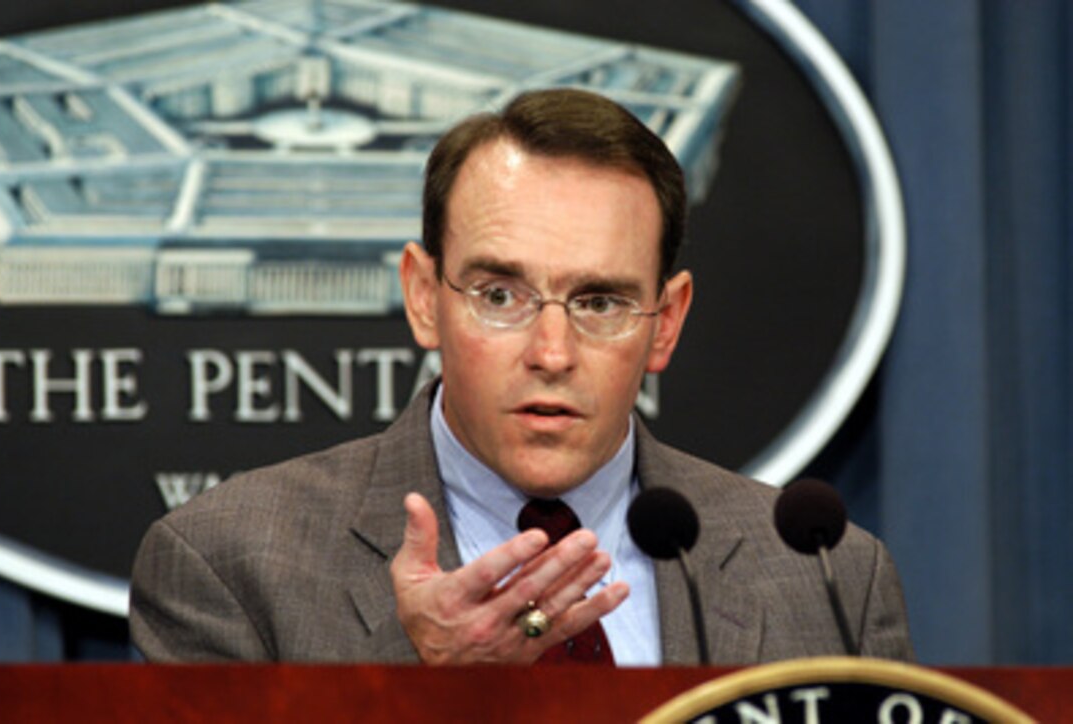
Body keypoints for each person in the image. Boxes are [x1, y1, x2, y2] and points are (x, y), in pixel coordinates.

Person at [130, 88, 913, 664]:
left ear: (665, 322)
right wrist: (433, 703)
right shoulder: (230, 566)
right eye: (501, 295)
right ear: (423, 298)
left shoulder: (827, 581)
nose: (550, 351)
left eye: (600, 300)